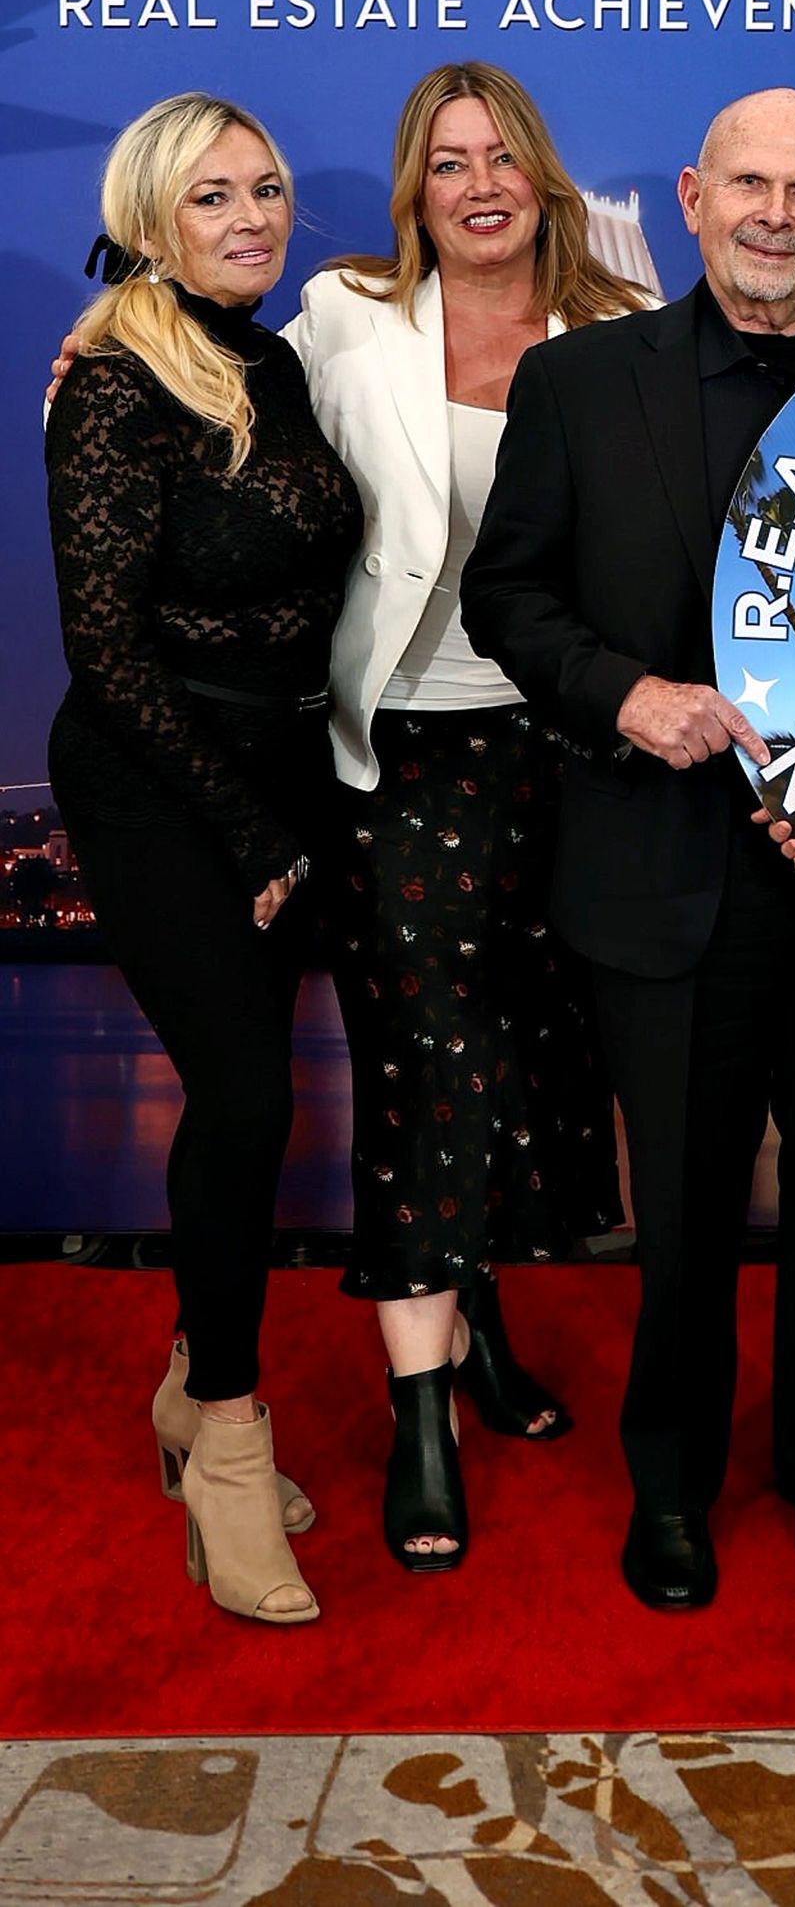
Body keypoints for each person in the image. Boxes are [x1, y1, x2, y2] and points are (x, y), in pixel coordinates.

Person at [460, 87, 795, 1611]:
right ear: (692, 198)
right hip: (657, 875)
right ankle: (670, 1487)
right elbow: (508, 599)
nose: (774, 214)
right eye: (749, 185)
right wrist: (626, 697)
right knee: (684, 1217)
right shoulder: (580, 382)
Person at [288, 62, 646, 1571]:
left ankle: (481, 1320)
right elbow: (227, 410)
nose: (480, 185)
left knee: (528, 1061)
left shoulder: (622, 325)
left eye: (502, 157)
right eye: (449, 164)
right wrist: (109, 350)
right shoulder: (344, 317)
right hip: (400, 755)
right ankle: (421, 1418)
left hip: (568, 752)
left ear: (543, 175)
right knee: (426, 1065)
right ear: (414, 193)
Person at [45, 93, 362, 1626]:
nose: (252, 218)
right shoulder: (112, 381)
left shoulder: (274, 360)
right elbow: (104, 649)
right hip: (159, 784)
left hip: (283, 772)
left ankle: (188, 1382)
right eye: (214, 196)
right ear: (151, 217)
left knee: (252, 1104)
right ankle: (227, 1437)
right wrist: (245, 827)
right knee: (244, 1100)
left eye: (268, 189)